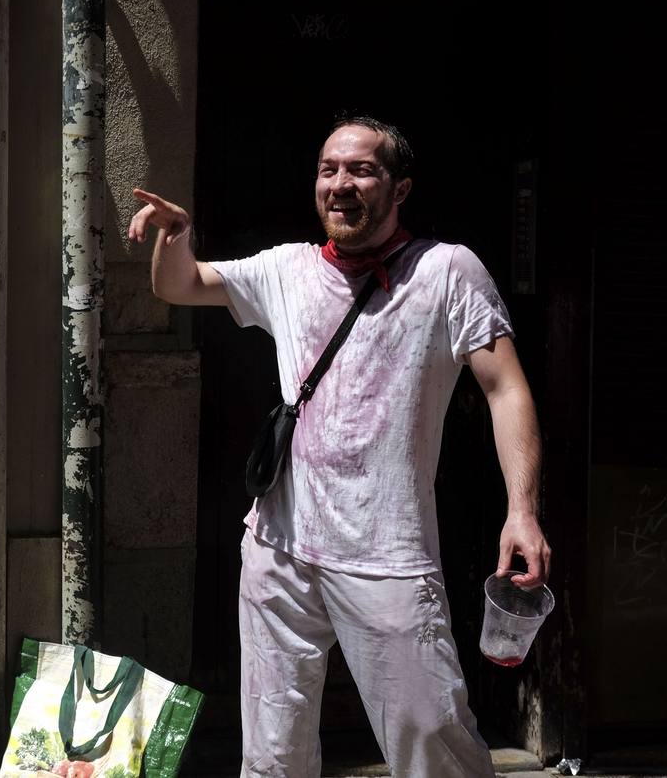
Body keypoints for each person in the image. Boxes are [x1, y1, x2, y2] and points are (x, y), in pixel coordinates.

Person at [128, 116, 552, 778]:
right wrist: (176, 238)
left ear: (400, 188)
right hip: (278, 550)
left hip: (387, 556)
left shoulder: (446, 271)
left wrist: (521, 510)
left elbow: (506, 390)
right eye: (329, 170)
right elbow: (179, 286)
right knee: (272, 757)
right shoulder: (288, 268)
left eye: (362, 170)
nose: (341, 184)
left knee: (431, 742)